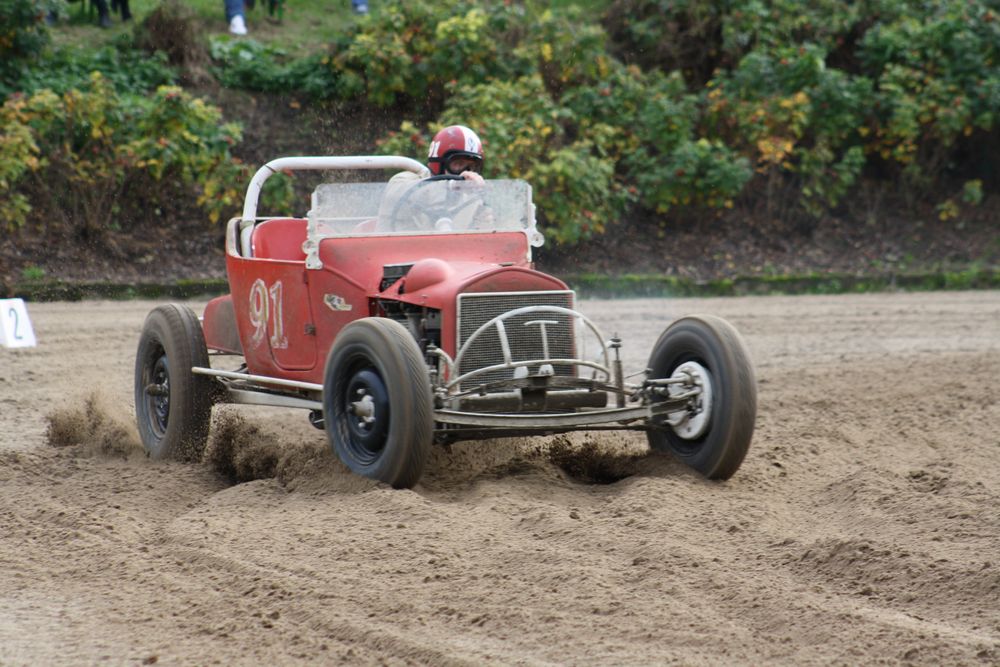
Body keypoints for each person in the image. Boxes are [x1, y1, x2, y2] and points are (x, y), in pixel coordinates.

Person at [377, 125, 492, 232]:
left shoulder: (472, 200)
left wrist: (485, 215)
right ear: (439, 163)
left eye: (471, 167)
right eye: (458, 163)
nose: (466, 172)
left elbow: (482, 241)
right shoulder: (403, 180)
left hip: (450, 252)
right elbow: (400, 193)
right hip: (397, 250)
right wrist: (452, 185)